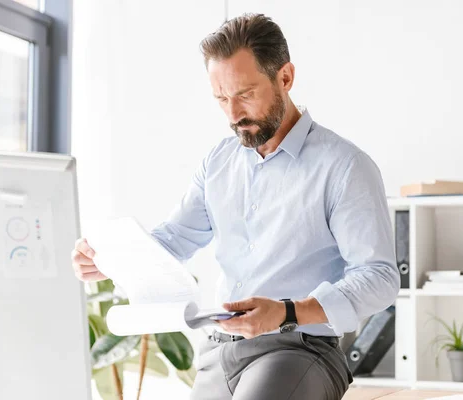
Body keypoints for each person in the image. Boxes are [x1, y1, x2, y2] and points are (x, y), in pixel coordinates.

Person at [71, 13, 399, 400]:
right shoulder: (218, 162)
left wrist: (287, 311)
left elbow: (379, 278)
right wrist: (110, 258)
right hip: (218, 350)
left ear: (285, 77)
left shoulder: (344, 166)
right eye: (221, 98)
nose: (232, 114)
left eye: (244, 94)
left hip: (297, 349)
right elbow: (175, 238)